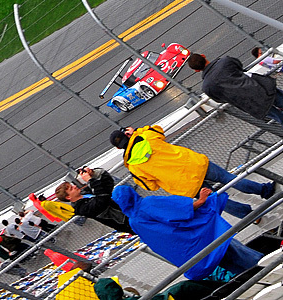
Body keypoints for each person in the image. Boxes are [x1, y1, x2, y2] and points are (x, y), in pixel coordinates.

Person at [110, 125, 274, 219]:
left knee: (218, 199)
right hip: (195, 164)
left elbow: (150, 186)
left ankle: (251, 216)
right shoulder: (146, 136)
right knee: (230, 178)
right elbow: (159, 130)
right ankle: (264, 190)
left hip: (185, 185)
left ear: (119, 148)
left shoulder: (133, 167)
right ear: (127, 133)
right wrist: (137, 131)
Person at [112, 186, 263, 279]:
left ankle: (258, 277)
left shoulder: (134, 222)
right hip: (202, 237)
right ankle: (270, 266)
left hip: (191, 252)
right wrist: (201, 201)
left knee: (231, 264)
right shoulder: (148, 204)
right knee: (238, 253)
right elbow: (179, 211)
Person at [187, 52, 283, 124]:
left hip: (250, 104)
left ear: (196, 70)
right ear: (203, 56)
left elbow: (220, 99)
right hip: (261, 88)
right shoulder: (225, 61)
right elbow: (239, 66)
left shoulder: (207, 87)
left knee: (279, 117)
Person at [55, 168, 133, 234]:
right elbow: (102, 200)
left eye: (72, 185)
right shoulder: (81, 208)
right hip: (127, 222)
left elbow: (108, 184)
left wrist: (94, 174)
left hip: (131, 210)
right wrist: (90, 180)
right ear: (68, 197)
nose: (75, 186)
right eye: (71, 188)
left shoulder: (86, 192)